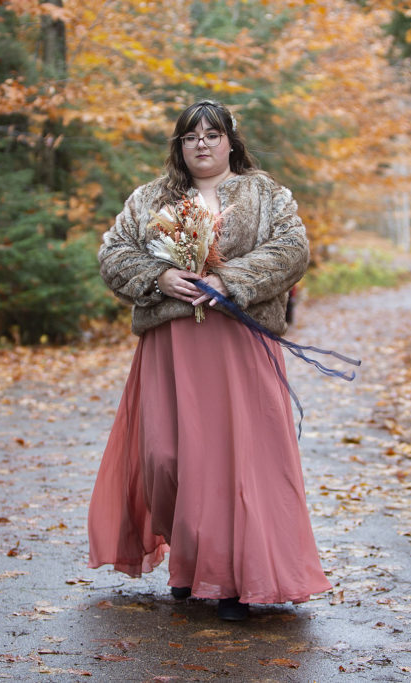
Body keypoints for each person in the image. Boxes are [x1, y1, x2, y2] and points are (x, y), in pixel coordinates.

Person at [88, 100, 331, 622]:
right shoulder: (151, 198)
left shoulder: (266, 194)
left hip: (238, 344)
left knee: (232, 462)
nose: (202, 143)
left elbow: (293, 250)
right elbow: (113, 253)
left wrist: (228, 281)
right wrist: (158, 277)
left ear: (230, 142)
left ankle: (227, 578)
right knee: (166, 460)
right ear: (179, 145)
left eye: (212, 134)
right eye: (191, 135)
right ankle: (191, 558)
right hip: (170, 350)